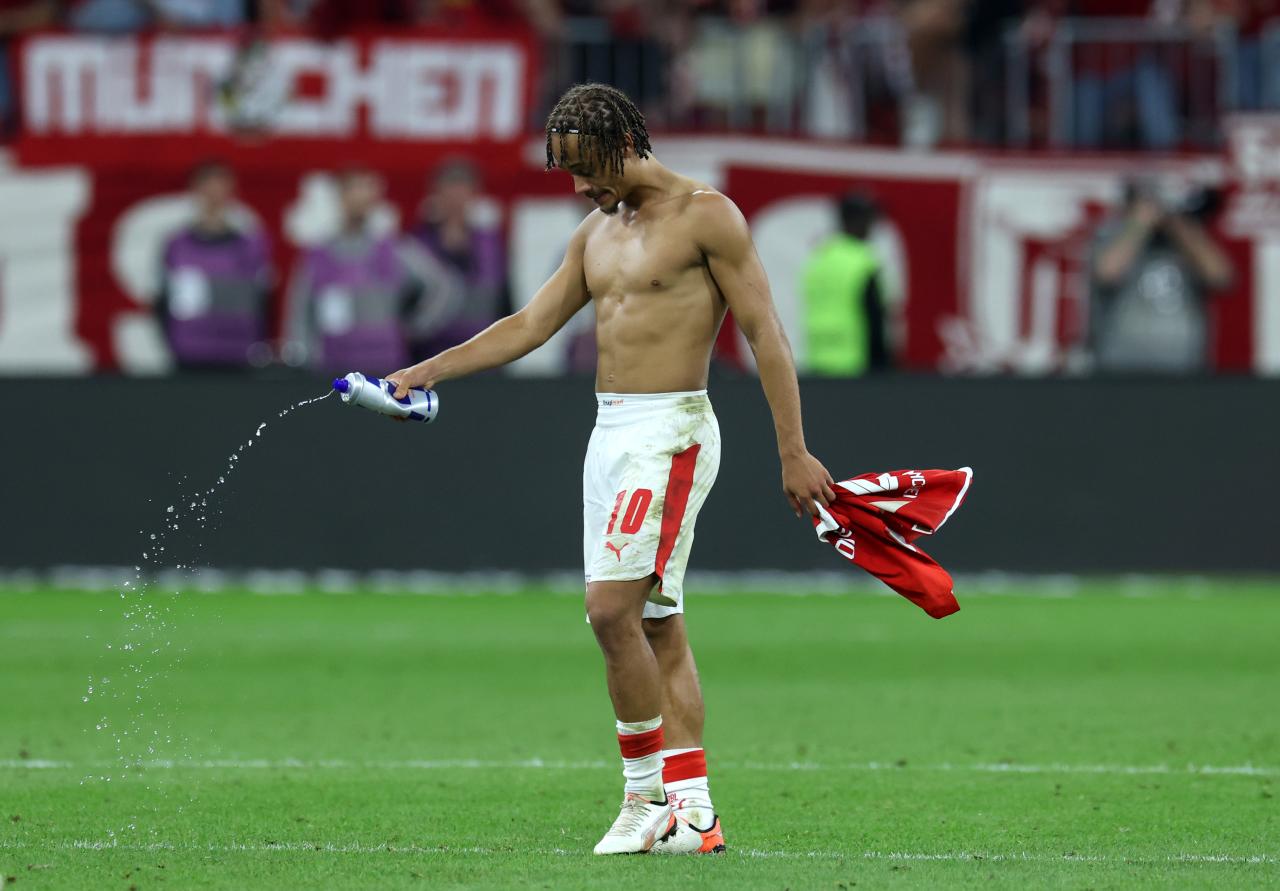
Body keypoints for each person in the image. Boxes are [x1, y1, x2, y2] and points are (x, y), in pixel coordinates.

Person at [385, 82, 835, 856]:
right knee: (656, 622)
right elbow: (529, 325)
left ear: (624, 146)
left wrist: (793, 449)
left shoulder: (707, 215)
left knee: (606, 611)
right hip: (610, 432)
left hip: (672, 431)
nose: (578, 187)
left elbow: (764, 332)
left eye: (586, 169)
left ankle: (644, 798)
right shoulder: (595, 232)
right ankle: (696, 816)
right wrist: (426, 371)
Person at [282, 166, 459, 374]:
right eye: (352, 189)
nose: (358, 197)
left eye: (365, 189)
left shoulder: (394, 249)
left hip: (386, 366)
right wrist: (306, 362)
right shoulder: (318, 255)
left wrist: (415, 328)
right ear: (339, 196)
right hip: (334, 368)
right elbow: (299, 314)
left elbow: (444, 286)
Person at [1089, 177, 1233, 373]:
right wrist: (1141, 222)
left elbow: (1220, 276)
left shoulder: (1190, 240)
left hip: (1184, 367)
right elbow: (1106, 273)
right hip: (1120, 367)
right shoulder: (1112, 234)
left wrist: (1176, 223)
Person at [156, 160, 274, 369]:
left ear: (231, 190)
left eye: (220, 184)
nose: (214, 192)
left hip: (240, 356)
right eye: (207, 184)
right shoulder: (176, 247)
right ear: (195, 189)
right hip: (189, 356)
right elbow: (161, 302)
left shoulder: (251, 247)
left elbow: (265, 302)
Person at [409, 158, 509, 359]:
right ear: (436, 192)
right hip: (433, 355)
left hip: (484, 355)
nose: (457, 196)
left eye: (463, 188)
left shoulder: (491, 244)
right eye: (450, 187)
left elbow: (504, 301)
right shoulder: (418, 246)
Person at [800, 191, 892, 376]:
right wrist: (883, 365)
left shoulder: (819, 259)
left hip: (817, 358)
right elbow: (874, 319)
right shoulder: (863, 262)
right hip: (854, 362)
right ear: (858, 220)